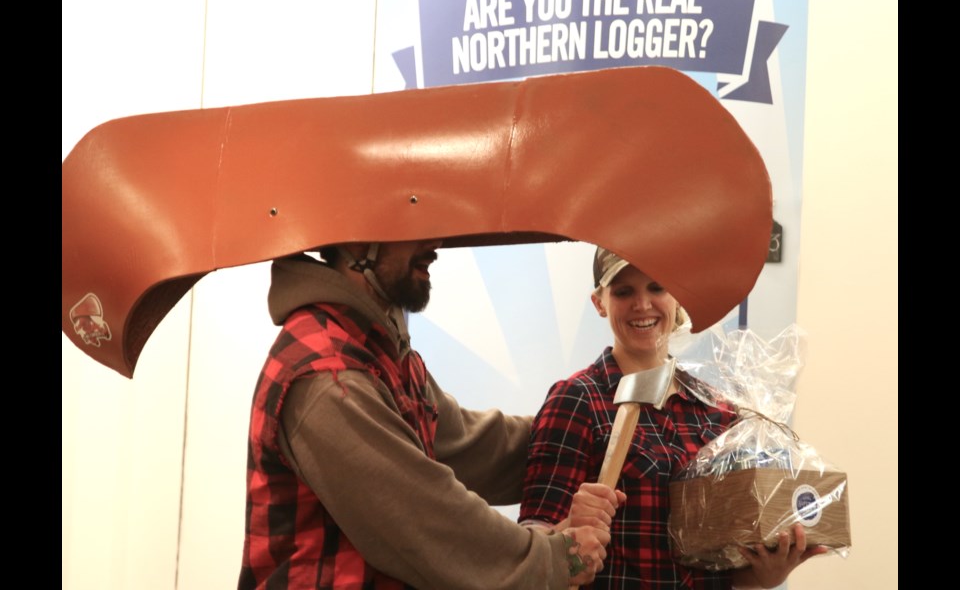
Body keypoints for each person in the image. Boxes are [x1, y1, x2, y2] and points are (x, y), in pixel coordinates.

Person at [238, 239, 624, 590]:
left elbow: (470, 446)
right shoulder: (329, 377)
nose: (435, 244)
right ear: (358, 243)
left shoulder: (379, 352)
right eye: (412, 226)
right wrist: (554, 561)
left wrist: (586, 424)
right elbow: (427, 523)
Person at [519, 247, 826, 589]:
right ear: (599, 302)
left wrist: (768, 574)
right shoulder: (578, 399)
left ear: (677, 295)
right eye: (624, 291)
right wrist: (569, 529)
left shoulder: (718, 412)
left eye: (657, 287)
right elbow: (532, 547)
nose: (642, 304)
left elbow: (727, 564)